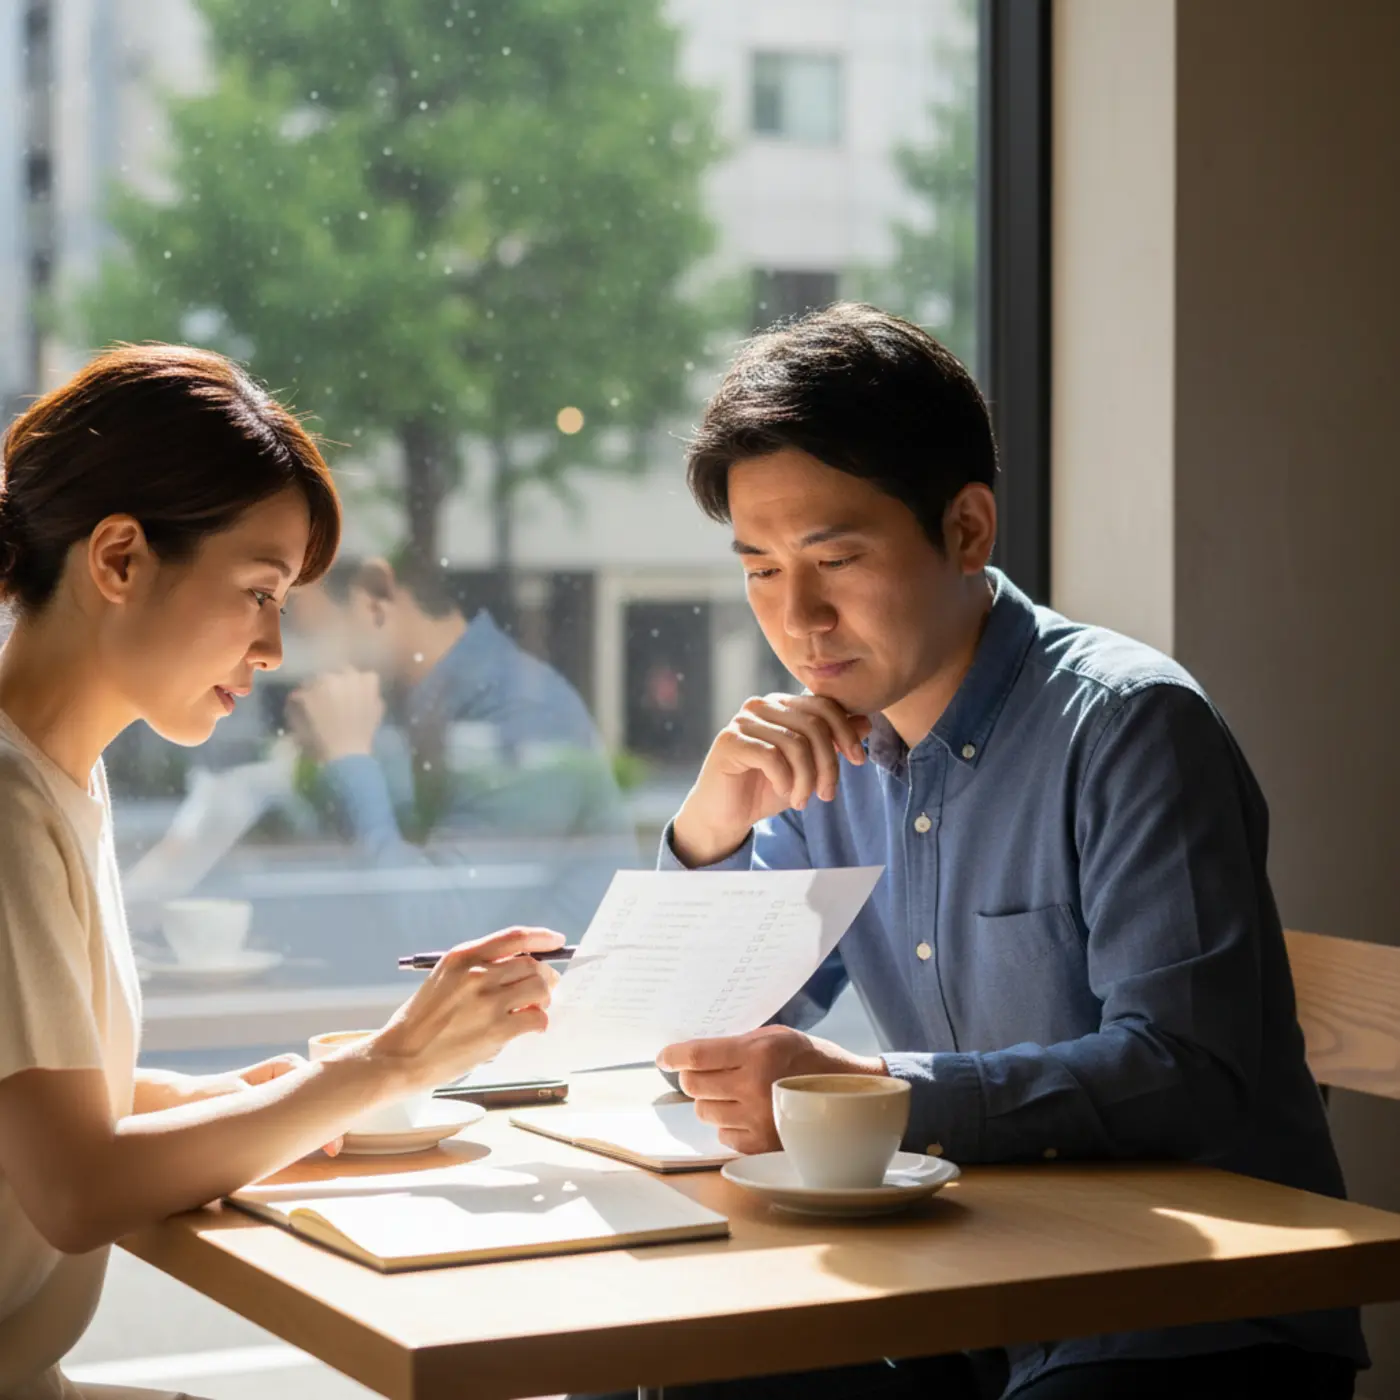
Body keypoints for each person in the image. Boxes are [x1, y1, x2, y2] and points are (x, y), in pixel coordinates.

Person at [653, 305, 1364, 1398]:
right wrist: (710, 828)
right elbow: (702, 1034)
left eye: (833, 558)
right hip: (959, 1288)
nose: (797, 618)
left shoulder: (1126, 725)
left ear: (967, 528)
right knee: (664, 1370)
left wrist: (877, 1090)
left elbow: (1185, 1071)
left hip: (1184, 1316)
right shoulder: (826, 747)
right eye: (757, 569)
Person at [0, 346, 561, 1400]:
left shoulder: (58, 774)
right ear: (118, 558)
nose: (272, 645)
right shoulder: (6, 802)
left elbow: (35, 1107)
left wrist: (230, 1097)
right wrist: (384, 1065)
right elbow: (74, 1187)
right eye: (257, 590)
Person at [283, 555, 639, 942]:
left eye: (300, 623)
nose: (292, 655)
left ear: (374, 596)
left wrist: (347, 758)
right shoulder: (421, 711)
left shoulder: (520, 712)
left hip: (558, 995)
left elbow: (441, 929)